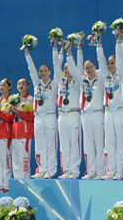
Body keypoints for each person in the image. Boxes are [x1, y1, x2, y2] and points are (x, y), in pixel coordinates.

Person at [24, 42, 60, 179]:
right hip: (38, 117)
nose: (43, 73)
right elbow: (31, 68)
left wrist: (57, 49)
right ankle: (42, 169)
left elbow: (57, 65)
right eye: (41, 71)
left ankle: (51, 170)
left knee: (51, 145)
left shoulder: (54, 83)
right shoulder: (37, 83)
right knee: (39, 145)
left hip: (50, 116)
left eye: (45, 71)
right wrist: (27, 53)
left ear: (50, 72)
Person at [98, 29, 123, 180]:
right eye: (108, 63)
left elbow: (121, 58)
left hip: (120, 111)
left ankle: (120, 172)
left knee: (120, 143)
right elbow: (100, 59)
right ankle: (111, 171)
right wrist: (98, 43)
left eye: (112, 63)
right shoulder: (106, 76)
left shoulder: (122, 75)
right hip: (108, 112)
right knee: (109, 143)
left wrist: (118, 39)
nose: (109, 65)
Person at [75, 38, 107, 180]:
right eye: (87, 68)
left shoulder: (101, 77)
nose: (89, 69)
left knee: (99, 144)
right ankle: (91, 171)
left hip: (98, 113)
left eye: (91, 67)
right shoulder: (82, 79)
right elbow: (74, 67)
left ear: (95, 67)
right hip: (85, 115)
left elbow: (102, 61)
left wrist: (98, 45)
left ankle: (101, 171)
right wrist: (77, 48)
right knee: (88, 145)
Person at [56, 41, 82, 179]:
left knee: (74, 144)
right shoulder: (60, 81)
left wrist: (69, 51)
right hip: (62, 115)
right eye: (65, 68)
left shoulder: (78, 81)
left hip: (73, 114)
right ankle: (66, 170)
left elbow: (76, 66)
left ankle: (74, 171)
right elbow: (56, 65)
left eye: (69, 68)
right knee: (64, 144)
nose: (67, 70)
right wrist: (59, 49)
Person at [11, 78, 35, 179]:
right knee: (16, 160)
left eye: (23, 84)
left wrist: (18, 112)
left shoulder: (30, 100)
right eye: (19, 84)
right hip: (15, 134)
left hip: (25, 134)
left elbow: (31, 117)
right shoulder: (14, 100)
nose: (21, 86)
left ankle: (25, 180)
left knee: (24, 160)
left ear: (28, 86)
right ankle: (17, 181)